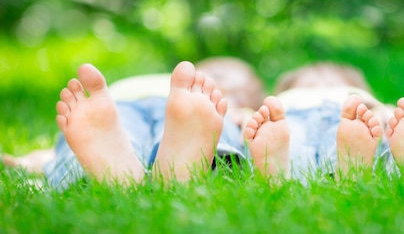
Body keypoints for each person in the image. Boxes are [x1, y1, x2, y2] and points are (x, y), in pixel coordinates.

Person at [12, 56, 266, 189]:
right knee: (103, 135)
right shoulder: (195, 94)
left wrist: (28, 161)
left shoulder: (211, 103)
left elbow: (251, 131)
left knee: (209, 130)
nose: (216, 78)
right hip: (117, 108)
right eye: (214, 72)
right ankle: (178, 172)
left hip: (127, 105)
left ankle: (108, 176)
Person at [242, 61, 393, 180]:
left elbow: (387, 113)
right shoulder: (280, 112)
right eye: (309, 86)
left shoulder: (367, 107)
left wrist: (381, 110)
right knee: (285, 142)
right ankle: (275, 172)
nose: (321, 88)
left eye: (332, 85)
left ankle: (351, 170)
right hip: (291, 118)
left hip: (345, 117)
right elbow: (256, 115)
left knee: (356, 136)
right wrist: (246, 114)